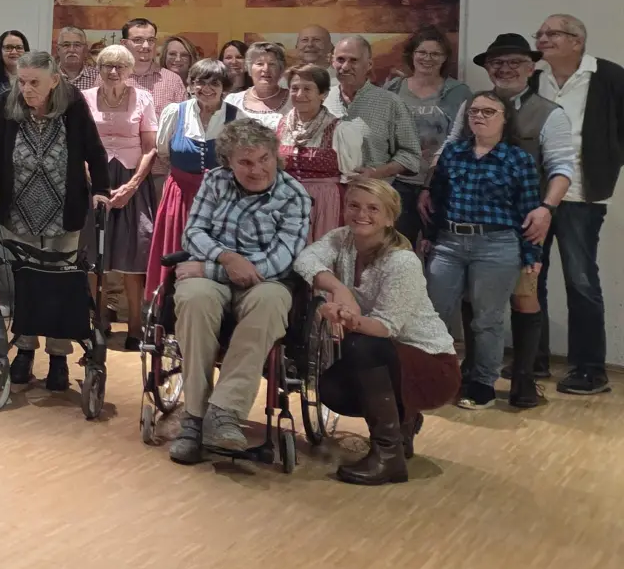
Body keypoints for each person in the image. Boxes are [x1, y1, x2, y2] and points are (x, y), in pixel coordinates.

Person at [293, 178, 458, 484]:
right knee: (332, 388)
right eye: (354, 206)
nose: (361, 214)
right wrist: (339, 289)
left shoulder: (402, 262)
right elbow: (305, 259)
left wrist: (345, 316)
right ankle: (403, 423)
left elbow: (385, 327)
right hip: (390, 358)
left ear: (389, 218)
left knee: (361, 345)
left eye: (372, 208)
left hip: (433, 364)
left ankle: (388, 456)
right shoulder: (342, 239)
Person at [167, 119, 312, 465]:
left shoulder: (294, 196)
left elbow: (280, 260)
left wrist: (210, 266)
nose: (257, 169)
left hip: (264, 280)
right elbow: (194, 233)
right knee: (193, 298)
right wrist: (227, 258)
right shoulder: (215, 182)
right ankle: (194, 418)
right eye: (245, 162)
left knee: (272, 302)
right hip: (213, 276)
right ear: (228, 163)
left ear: (276, 156)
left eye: (264, 159)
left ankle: (224, 412)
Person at [435, 33, 575, 383]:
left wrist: (545, 209)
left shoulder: (550, 113)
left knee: (525, 294)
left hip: (527, 217)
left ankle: (526, 376)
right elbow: (450, 148)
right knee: (474, 296)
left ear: (530, 68)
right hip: (467, 220)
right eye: (497, 63)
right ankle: (473, 369)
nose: (505, 69)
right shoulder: (474, 105)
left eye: (514, 62)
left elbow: (562, 168)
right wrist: (429, 190)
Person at [0, 50, 111, 390]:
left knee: (61, 285)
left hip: (63, 212)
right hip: (17, 211)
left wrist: (101, 190)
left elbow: (95, 150)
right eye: (22, 81)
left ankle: (58, 356)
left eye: (34, 82)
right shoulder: (8, 104)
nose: (27, 89)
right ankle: (23, 351)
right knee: (24, 283)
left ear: (54, 81)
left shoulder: (74, 104)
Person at [423, 91, 542, 409]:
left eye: (489, 112)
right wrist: (431, 237)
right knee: (434, 312)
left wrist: (532, 257)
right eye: (474, 111)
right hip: (449, 242)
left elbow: (528, 212)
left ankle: (482, 384)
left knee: (487, 320)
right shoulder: (453, 153)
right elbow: (438, 198)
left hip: (497, 245)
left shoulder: (519, 159)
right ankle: (434, 377)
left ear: (506, 118)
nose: (479, 116)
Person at [531, 13, 621, 395]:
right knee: (530, 277)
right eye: (541, 34)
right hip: (536, 198)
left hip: (582, 197)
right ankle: (533, 359)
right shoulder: (535, 79)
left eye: (552, 33)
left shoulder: (610, 77)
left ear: (577, 41)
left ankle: (590, 369)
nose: (543, 39)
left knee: (581, 281)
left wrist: (609, 162)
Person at [86, 44, 158, 350]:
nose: (113, 72)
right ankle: (95, 321)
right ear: (99, 69)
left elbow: (150, 147)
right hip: (93, 181)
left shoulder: (143, 97)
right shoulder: (85, 98)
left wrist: (131, 186)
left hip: (131, 180)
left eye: (119, 67)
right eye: (107, 66)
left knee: (132, 254)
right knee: (92, 255)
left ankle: (134, 326)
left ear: (130, 71)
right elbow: (78, 142)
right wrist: (91, 180)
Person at [146, 59, 239, 293]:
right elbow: (164, 151)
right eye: (200, 82)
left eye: (214, 83)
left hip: (220, 203)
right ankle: (167, 316)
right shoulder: (176, 112)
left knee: (211, 260)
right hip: (179, 197)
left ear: (224, 87)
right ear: (190, 85)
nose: (206, 89)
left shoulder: (237, 117)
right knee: (174, 252)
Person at [384, 26, 470, 241]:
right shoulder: (393, 89)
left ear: (444, 59)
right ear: (412, 54)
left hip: (440, 185)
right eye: (422, 52)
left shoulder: (459, 92)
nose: (427, 58)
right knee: (398, 250)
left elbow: (463, 140)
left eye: (435, 54)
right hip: (398, 184)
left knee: (439, 251)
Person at [278, 65, 365, 242]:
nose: (300, 94)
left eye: (307, 89)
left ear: (323, 94)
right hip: (285, 201)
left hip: (325, 203)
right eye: (294, 88)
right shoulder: (279, 125)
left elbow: (352, 179)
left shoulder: (340, 129)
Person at [325, 35, 422, 182]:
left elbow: (411, 155)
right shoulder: (323, 99)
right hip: (329, 195)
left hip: (373, 196)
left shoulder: (390, 102)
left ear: (369, 64)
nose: (345, 66)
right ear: (332, 62)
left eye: (354, 60)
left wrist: (376, 172)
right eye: (340, 59)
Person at [101, 19, 188, 119]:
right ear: (124, 43)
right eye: (138, 40)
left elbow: (183, 123)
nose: (146, 46)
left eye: (151, 40)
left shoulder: (172, 80)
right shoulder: (107, 77)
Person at [224, 42, 289, 128]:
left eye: (272, 64)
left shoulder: (294, 101)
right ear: (249, 69)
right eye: (259, 64)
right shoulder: (233, 101)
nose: (266, 69)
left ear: (281, 70)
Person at [0, 30, 29, 106]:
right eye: (8, 47)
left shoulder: (33, 81)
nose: (14, 52)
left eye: (19, 48)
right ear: (0, 51)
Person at [56, 26, 97, 92]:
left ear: (85, 50)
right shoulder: (49, 76)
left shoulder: (97, 77)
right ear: (58, 50)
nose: (71, 50)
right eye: (66, 45)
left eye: (77, 45)